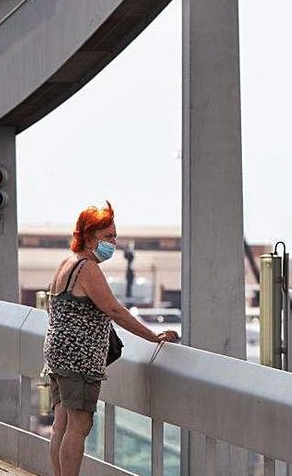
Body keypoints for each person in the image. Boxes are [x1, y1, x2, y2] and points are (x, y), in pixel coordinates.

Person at [43, 201, 178, 476]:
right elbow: (114, 309)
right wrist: (152, 336)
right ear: (89, 236)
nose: (114, 242)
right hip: (79, 359)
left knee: (61, 424)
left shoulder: (65, 265)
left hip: (56, 353)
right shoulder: (87, 267)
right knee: (78, 426)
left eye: (114, 236)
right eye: (108, 236)